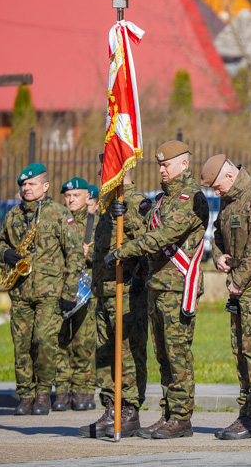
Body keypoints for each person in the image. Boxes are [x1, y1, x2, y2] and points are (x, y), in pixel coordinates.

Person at [106, 141, 208, 439]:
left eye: (167, 165)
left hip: (177, 287)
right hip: (158, 285)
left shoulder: (191, 199)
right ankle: (168, 413)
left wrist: (125, 251)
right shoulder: (163, 199)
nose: (161, 170)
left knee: (177, 354)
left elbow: (164, 236)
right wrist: (126, 213)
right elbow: (148, 230)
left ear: (184, 165)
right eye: (160, 165)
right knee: (162, 354)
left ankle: (181, 418)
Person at [200, 154, 251, 440]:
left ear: (228, 175)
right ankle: (247, 412)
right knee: (240, 351)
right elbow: (218, 234)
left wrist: (237, 279)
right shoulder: (229, 199)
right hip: (239, 287)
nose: (215, 192)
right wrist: (219, 256)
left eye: (215, 186)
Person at [0, 163, 84, 416]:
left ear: (45, 187)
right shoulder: (12, 215)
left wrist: (69, 293)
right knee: (21, 345)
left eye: (31, 184)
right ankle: (26, 394)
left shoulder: (59, 214)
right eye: (23, 184)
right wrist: (6, 254)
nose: (26, 188)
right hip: (20, 292)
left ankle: (44, 393)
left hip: (50, 294)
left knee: (43, 341)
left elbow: (75, 254)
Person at [78, 170, 151, 438]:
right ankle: (111, 408)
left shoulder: (138, 202)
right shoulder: (107, 204)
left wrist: (127, 216)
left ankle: (129, 412)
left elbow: (148, 241)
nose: (101, 176)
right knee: (105, 353)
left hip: (127, 291)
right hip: (103, 291)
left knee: (128, 353)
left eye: (106, 171)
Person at [53, 177, 97, 412]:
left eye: (76, 195)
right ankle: (61, 392)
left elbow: (110, 253)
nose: (71, 199)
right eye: (68, 196)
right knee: (60, 342)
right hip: (61, 289)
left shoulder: (96, 222)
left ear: (87, 197)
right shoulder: (58, 221)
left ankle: (82, 391)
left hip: (86, 292)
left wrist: (90, 254)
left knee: (83, 342)